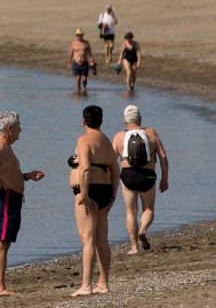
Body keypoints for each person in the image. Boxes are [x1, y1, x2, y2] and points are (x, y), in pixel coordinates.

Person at [0, 110, 45, 296]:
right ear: (10, 129)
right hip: (5, 199)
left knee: (0, 242)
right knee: (1, 243)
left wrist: (26, 177)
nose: (21, 130)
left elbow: (3, 170)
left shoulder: (3, 145)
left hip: (9, 197)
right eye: (19, 126)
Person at [71, 104, 119, 295]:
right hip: (105, 190)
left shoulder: (84, 140)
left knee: (87, 239)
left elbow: (84, 168)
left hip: (89, 191)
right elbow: (116, 171)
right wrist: (113, 196)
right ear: (101, 120)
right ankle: (103, 283)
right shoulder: (106, 141)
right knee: (101, 240)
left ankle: (86, 285)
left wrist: (84, 194)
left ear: (83, 121)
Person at [112, 104, 168, 255]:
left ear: (125, 121)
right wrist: (165, 178)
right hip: (148, 175)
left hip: (128, 176)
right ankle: (142, 230)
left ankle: (134, 247)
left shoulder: (119, 137)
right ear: (140, 119)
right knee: (148, 209)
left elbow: (110, 161)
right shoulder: (151, 133)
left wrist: (111, 181)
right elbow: (163, 156)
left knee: (130, 211)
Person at [69, 29, 94, 95]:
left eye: (80, 35)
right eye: (78, 35)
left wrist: (92, 61)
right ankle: (78, 90)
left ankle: (84, 88)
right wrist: (69, 62)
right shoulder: (74, 43)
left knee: (84, 79)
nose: (79, 36)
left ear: (82, 35)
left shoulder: (86, 43)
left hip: (84, 62)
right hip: (76, 62)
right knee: (78, 77)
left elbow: (90, 53)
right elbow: (71, 53)